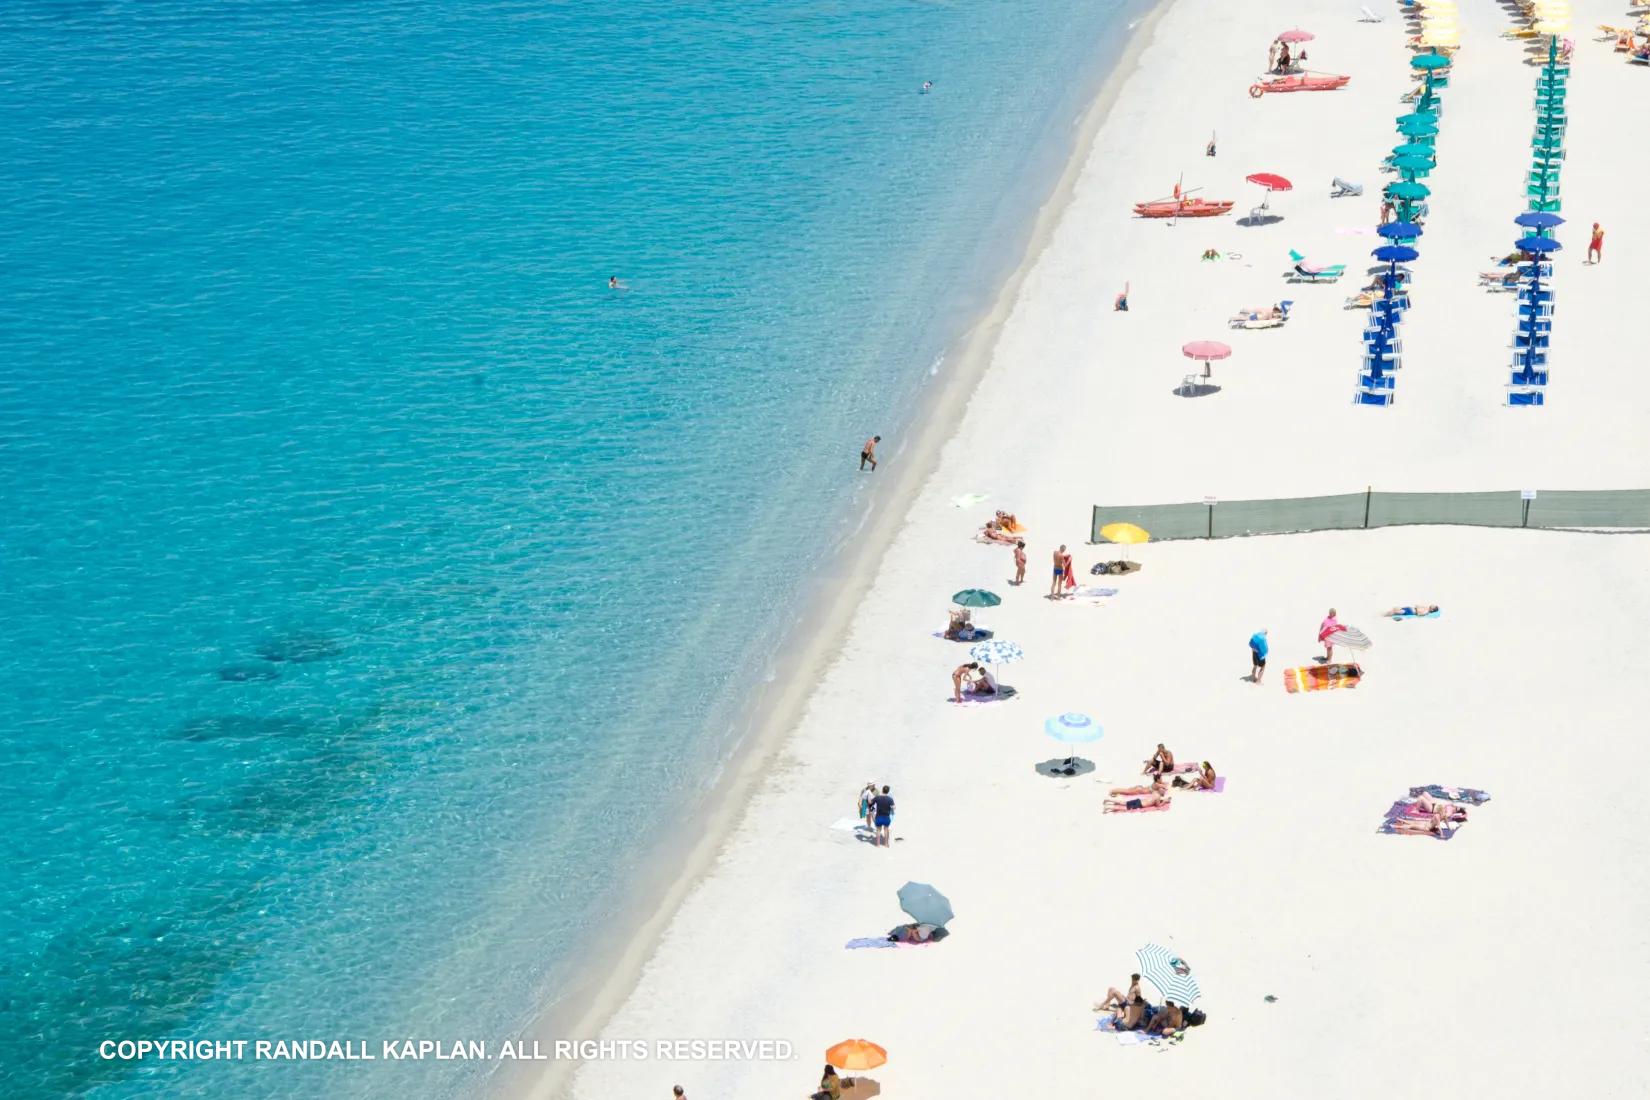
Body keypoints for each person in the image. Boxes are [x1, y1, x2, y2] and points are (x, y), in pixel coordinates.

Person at [1106, 784, 1170, 811]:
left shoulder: (1155, 792)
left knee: (1124, 803)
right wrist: (1164, 801)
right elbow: (1158, 805)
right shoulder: (1158, 796)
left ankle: (1109, 800)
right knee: (1125, 808)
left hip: (1139, 800)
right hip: (1140, 804)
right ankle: (1109, 807)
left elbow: (1155, 799)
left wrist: (1164, 799)